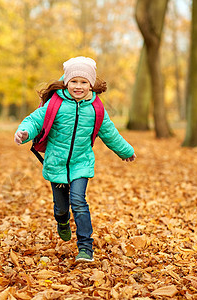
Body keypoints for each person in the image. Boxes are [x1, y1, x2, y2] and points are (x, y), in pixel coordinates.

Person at [14, 56, 136, 262]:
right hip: (56, 163)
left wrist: (125, 151)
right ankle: (62, 221)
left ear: (91, 84)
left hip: (81, 163)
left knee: (79, 201)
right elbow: (35, 120)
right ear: (67, 82)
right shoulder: (56, 104)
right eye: (74, 81)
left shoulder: (96, 109)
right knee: (61, 208)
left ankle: (85, 248)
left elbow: (110, 133)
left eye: (83, 82)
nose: (78, 86)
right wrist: (24, 132)